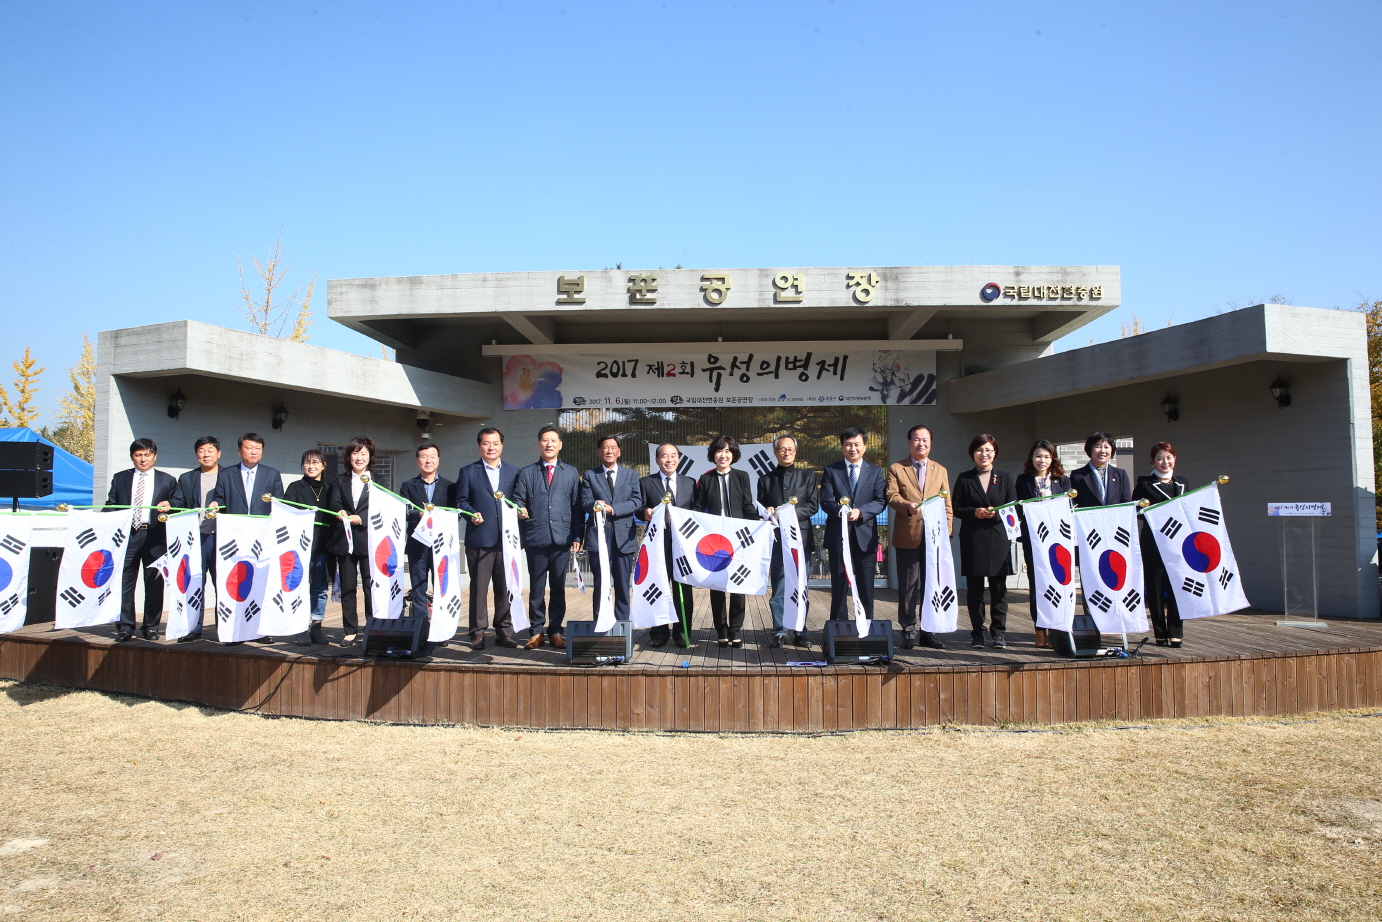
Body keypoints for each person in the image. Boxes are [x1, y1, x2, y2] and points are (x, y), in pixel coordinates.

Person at [511, 425, 582, 650]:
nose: (549, 444)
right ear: (538, 444)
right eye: (544, 440)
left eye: (553, 440)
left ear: (560, 445)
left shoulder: (570, 472)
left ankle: (556, 631)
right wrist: (519, 508)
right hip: (536, 537)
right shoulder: (527, 472)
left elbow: (577, 507)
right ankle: (536, 631)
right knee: (537, 588)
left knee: (559, 587)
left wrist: (577, 535)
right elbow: (518, 498)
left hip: (562, 537)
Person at [884, 424, 952, 650]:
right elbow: (892, 495)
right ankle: (908, 630)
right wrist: (907, 506)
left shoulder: (940, 470)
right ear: (909, 442)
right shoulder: (897, 468)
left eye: (925, 440)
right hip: (908, 535)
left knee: (932, 585)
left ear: (930, 443)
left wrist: (947, 531)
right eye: (916, 439)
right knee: (908, 586)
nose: (921, 443)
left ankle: (929, 631)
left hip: (935, 536)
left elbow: (947, 503)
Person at [103, 438, 177, 642]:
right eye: (138, 455)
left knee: (154, 583)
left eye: (147, 454)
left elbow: (177, 505)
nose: (143, 459)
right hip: (128, 536)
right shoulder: (120, 478)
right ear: (132, 457)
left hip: (155, 535)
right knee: (124, 581)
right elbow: (111, 505)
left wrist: (169, 505)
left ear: (155, 456)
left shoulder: (167, 480)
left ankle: (151, 626)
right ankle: (125, 626)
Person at [456, 427, 521, 649]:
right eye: (486, 443)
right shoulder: (468, 471)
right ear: (479, 446)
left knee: (505, 586)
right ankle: (477, 632)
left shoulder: (514, 471)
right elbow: (461, 501)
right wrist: (470, 513)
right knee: (479, 588)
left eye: (495, 443)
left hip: (506, 540)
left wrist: (521, 509)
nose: (491, 447)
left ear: (502, 445)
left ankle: (504, 631)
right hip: (479, 538)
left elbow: (518, 499)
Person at [692, 435, 758, 647]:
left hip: (738, 539)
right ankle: (721, 630)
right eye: (719, 451)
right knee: (717, 586)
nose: (723, 455)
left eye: (728, 451)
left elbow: (747, 506)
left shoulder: (742, 477)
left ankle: (735, 630)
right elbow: (698, 508)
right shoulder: (706, 479)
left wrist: (758, 522)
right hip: (715, 541)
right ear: (713, 454)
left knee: (738, 584)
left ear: (733, 455)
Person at [953, 434, 1017, 648]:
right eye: (979, 450)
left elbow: (1013, 507)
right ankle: (977, 633)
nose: (984, 454)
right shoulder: (965, 478)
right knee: (975, 589)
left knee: (999, 588)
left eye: (988, 450)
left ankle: (998, 632)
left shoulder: (1005, 477)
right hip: (973, 538)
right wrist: (975, 512)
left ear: (995, 452)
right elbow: (956, 508)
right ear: (973, 453)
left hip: (998, 538)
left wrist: (997, 513)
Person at [820, 427, 887, 623]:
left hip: (865, 537)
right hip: (838, 537)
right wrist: (841, 512)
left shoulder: (875, 471)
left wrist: (861, 512)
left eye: (857, 444)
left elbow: (880, 501)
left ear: (864, 447)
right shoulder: (831, 470)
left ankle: (866, 626)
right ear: (842, 447)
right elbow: (826, 501)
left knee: (866, 586)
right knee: (839, 586)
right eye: (848, 444)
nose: (853, 448)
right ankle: (839, 628)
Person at [757, 435, 819, 648]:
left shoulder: (807, 476)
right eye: (782, 449)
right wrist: (768, 512)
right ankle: (779, 630)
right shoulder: (765, 479)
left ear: (796, 452)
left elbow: (812, 506)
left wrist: (787, 514)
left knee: (800, 587)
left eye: (790, 449)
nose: (786, 452)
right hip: (777, 541)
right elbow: (761, 511)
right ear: (775, 452)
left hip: (801, 540)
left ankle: (800, 630)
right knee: (780, 587)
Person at [1069, 430, 1134, 633]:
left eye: (1107, 446)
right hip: (1090, 537)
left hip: (1114, 537)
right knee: (1091, 579)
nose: (1102, 450)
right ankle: (1093, 622)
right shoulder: (1078, 475)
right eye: (1098, 446)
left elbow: (1125, 504)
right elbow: (1073, 507)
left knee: (1113, 577)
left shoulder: (1120, 474)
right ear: (1089, 450)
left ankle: (1114, 622)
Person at [1133, 442, 1190, 648]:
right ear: (1152, 461)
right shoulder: (1144, 483)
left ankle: (1175, 632)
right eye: (1160, 458)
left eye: (1168, 457)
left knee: (1177, 585)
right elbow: (1136, 510)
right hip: (1154, 541)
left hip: (1178, 542)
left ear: (1174, 459)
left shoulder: (1182, 482)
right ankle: (1160, 632)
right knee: (1155, 588)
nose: (1165, 462)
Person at [1015, 439, 1071, 649]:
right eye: (1038, 456)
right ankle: (1039, 630)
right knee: (1037, 583)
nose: (1042, 460)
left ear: (1053, 459)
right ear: (1031, 458)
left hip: (1058, 541)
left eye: (1047, 456)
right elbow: (1019, 508)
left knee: (1057, 581)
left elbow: (1068, 508)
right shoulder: (1023, 480)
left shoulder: (1063, 481)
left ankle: (1056, 629)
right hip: (1034, 540)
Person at [284, 449, 344, 646]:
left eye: (315, 462)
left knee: (320, 587)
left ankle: (316, 626)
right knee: (299, 586)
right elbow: (287, 515)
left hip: (323, 546)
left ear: (323, 466)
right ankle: (300, 627)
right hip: (299, 546)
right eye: (307, 463)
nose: (311, 466)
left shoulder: (330, 488)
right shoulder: (295, 488)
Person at [639, 443, 697, 648]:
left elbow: (697, 511)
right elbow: (638, 507)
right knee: (658, 586)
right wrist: (645, 512)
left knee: (683, 588)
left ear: (679, 459)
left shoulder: (690, 483)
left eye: (673, 455)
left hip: (683, 544)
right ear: (657, 460)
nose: (669, 460)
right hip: (657, 543)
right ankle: (659, 632)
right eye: (664, 456)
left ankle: (682, 632)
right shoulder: (646, 482)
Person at [579, 435, 640, 625]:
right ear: (599, 452)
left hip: (624, 538)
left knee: (623, 584)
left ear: (619, 452)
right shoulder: (590, 475)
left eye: (613, 447)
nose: (609, 451)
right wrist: (594, 504)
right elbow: (584, 502)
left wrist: (613, 509)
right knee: (601, 584)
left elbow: (636, 501)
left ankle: (622, 625)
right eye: (605, 447)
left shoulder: (631, 475)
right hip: (598, 538)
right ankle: (601, 624)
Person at [399, 443, 455, 629]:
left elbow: (456, 513)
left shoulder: (450, 486)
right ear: (417, 461)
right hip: (417, 544)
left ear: (438, 460)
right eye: (424, 457)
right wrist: (419, 514)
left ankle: (440, 628)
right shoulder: (408, 486)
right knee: (418, 588)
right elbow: (403, 511)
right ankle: (421, 628)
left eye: (432, 456)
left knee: (441, 587)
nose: (428, 460)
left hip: (441, 545)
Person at [172, 435, 221, 642]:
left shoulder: (229, 476)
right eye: (201, 451)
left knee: (223, 584)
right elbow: (179, 501)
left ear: (218, 453)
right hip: (195, 539)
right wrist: (169, 504)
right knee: (194, 584)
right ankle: (193, 627)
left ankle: (224, 628)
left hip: (221, 538)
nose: (206, 454)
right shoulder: (187, 478)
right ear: (196, 455)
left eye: (210, 450)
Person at [333, 436, 376, 644]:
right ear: (349, 456)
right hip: (345, 539)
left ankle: (372, 626)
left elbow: (383, 507)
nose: (359, 458)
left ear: (370, 456)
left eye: (363, 453)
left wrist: (362, 518)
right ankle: (350, 630)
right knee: (348, 586)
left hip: (369, 539)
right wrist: (340, 511)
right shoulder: (340, 479)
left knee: (370, 586)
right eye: (355, 453)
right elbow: (334, 502)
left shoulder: (378, 480)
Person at [208, 432, 283, 516]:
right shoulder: (225, 474)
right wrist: (216, 503)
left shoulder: (272, 474)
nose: (254, 452)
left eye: (258, 448)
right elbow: (220, 499)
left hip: (263, 523)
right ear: (239, 450)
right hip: (235, 522)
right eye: (249, 448)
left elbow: (279, 502)